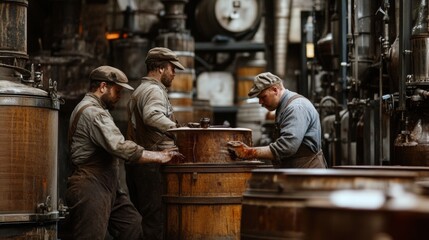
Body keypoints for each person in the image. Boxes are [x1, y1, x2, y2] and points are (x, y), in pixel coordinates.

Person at [65, 65, 184, 240]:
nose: (119, 97)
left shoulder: (98, 109)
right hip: (90, 185)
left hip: (108, 184)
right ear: (103, 87)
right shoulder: (93, 112)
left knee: (132, 227)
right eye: (117, 91)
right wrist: (159, 156)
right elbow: (119, 146)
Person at [125, 47, 185, 240]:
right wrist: (179, 133)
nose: (174, 73)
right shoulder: (153, 90)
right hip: (152, 167)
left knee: (148, 220)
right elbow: (152, 116)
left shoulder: (141, 89)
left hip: (142, 166)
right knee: (156, 223)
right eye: (172, 68)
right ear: (160, 68)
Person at [227, 72, 327, 168]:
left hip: (307, 173)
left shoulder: (296, 108)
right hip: (298, 170)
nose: (260, 102)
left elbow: (287, 147)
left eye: (263, 97)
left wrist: (249, 152)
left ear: (275, 90)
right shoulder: (283, 107)